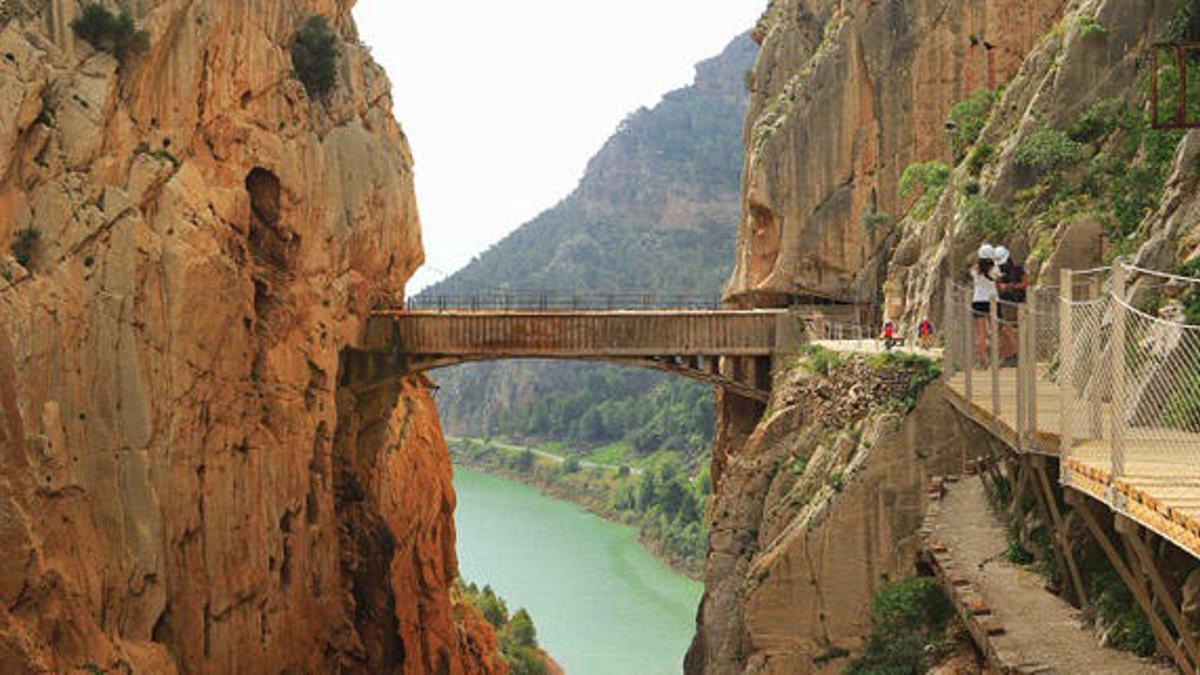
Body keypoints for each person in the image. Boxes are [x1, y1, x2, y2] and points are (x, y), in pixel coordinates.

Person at [995, 246, 1029, 366]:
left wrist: (1013, 286)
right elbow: (997, 285)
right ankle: (1010, 355)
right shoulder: (998, 271)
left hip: (1017, 302)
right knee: (1005, 330)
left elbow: (1026, 283)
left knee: (1009, 329)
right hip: (1004, 304)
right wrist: (1001, 287)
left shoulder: (1018, 269)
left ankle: (1017, 354)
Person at [970, 244, 999, 366]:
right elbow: (998, 279)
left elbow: (974, 274)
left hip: (978, 301)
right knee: (994, 330)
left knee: (981, 333)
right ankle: (996, 357)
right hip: (992, 301)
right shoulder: (995, 269)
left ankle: (983, 359)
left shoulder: (975, 270)